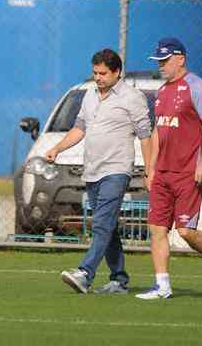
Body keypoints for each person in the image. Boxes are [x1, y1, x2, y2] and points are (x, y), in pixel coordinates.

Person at [46, 48, 151, 295]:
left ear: (117, 72)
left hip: (117, 169)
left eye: (103, 73)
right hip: (92, 169)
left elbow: (147, 136)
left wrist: (149, 170)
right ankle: (119, 280)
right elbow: (79, 128)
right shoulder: (90, 95)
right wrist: (57, 148)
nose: (98, 78)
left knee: (102, 224)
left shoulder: (132, 97)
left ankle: (85, 273)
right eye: (95, 73)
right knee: (109, 227)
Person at [136, 36, 202, 300]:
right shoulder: (162, 91)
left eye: (165, 61)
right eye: (159, 61)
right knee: (157, 228)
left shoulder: (196, 86)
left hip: (187, 171)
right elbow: (157, 131)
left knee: (186, 231)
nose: (161, 66)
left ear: (180, 59)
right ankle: (162, 285)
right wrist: (150, 169)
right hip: (162, 172)